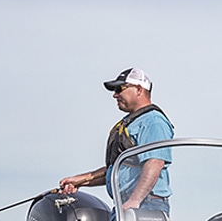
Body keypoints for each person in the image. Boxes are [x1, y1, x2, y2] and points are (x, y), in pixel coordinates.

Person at [59, 68, 174, 213]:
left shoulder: (153, 122)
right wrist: (80, 180)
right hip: (126, 206)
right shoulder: (132, 122)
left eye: (120, 89)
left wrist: (135, 200)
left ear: (139, 89)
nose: (115, 95)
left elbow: (155, 162)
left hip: (146, 206)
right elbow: (118, 168)